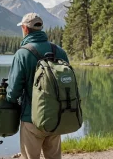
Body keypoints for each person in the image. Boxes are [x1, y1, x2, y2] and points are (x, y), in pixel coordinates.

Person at [6, 13, 69, 159]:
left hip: (31, 119)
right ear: (40, 28)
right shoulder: (59, 51)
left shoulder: (22, 54)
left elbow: (13, 91)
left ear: (25, 29)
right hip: (56, 117)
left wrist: (10, 100)